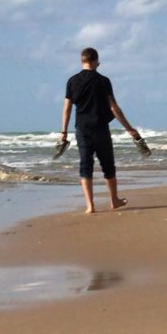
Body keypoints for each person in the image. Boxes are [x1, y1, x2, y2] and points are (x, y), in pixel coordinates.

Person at [60, 47, 140, 213]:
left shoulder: (72, 81)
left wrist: (64, 132)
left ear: (82, 61)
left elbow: (66, 108)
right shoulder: (103, 81)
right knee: (108, 165)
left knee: (85, 166)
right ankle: (114, 200)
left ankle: (90, 205)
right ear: (96, 61)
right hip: (100, 128)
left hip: (82, 129)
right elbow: (114, 108)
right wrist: (129, 129)